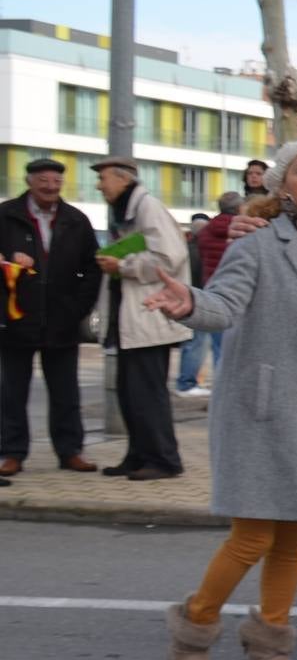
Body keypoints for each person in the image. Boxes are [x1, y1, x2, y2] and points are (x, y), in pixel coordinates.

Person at [146, 139, 297, 660]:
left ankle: (268, 650)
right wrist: (188, 304)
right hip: (263, 412)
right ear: (282, 186)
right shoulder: (261, 244)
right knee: (252, 536)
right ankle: (191, 635)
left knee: (292, 538)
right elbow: (223, 305)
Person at [0, 157, 99, 477]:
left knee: (66, 391)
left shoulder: (76, 219)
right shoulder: (7, 216)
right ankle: (12, 453)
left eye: (56, 181)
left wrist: (77, 309)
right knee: (12, 392)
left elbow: (92, 268)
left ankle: (70, 451)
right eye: (43, 180)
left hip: (61, 319)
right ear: (29, 181)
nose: (50, 186)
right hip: (16, 318)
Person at [91, 157, 189, 481]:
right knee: (130, 393)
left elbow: (169, 257)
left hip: (149, 318)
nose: (99, 185)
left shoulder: (148, 208)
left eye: (103, 178)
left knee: (147, 394)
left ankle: (163, 459)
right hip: (132, 320)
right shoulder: (128, 210)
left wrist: (122, 265)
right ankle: (137, 455)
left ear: (123, 179)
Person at [176, 194, 240, 396]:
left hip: (205, 287)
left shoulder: (207, 233)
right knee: (223, 345)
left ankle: (186, 381)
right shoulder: (241, 230)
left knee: (197, 340)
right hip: (230, 291)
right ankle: (222, 385)